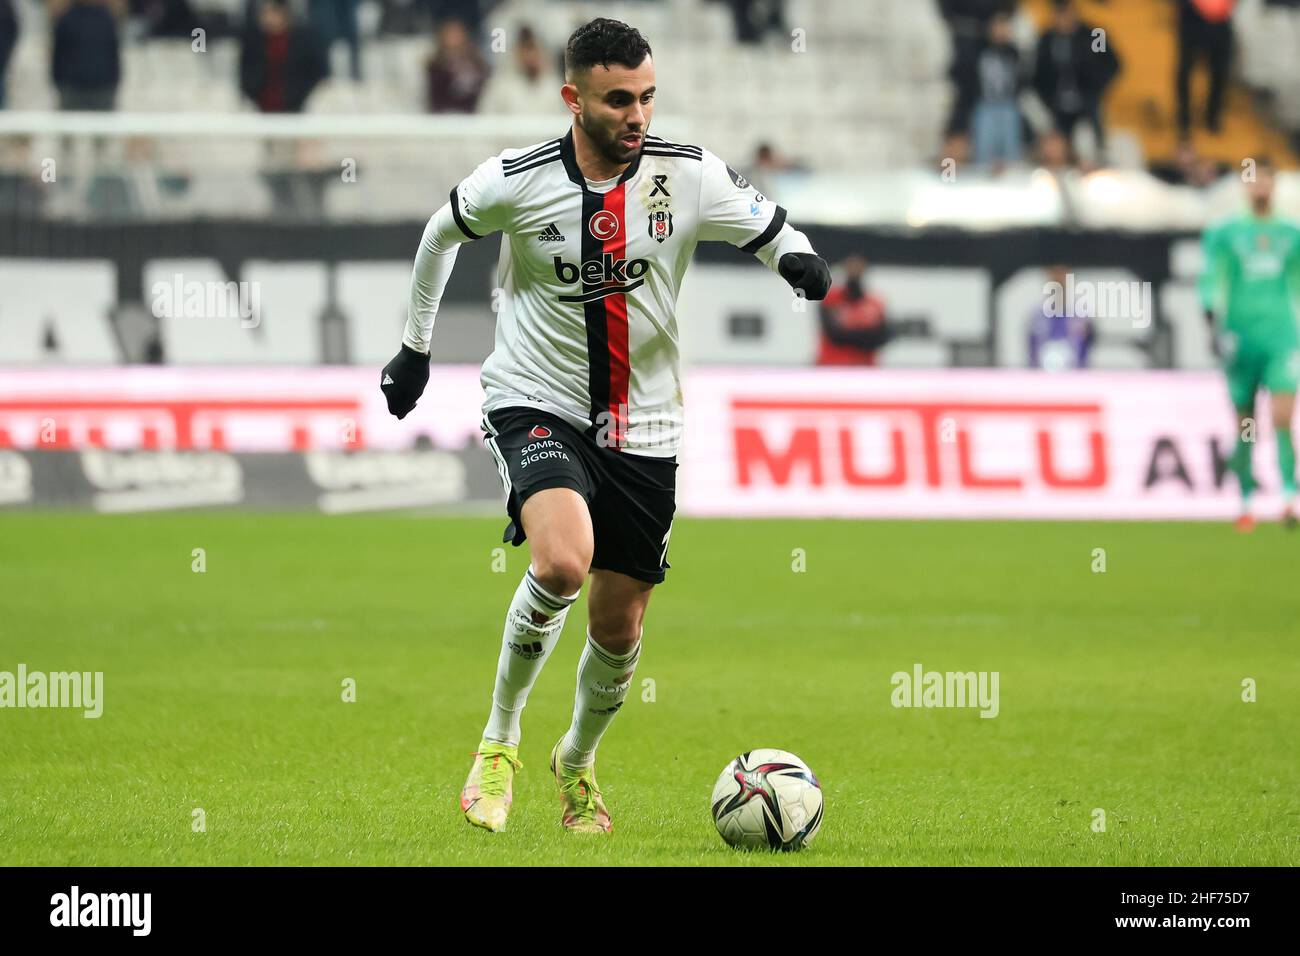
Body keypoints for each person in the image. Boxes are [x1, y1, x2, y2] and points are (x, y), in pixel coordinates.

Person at [379, 18, 831, 834]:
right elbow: (438, 233)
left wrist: (795, 258)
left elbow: (770, 223)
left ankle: (577, 760)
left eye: (647, 97)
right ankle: (499, 741)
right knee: (562, 561)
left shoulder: (685, 174)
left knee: (618, 623)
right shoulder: (514, 179)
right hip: (535, 399)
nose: (637, 115)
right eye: (618, 99)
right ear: (573, 98)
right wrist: (415, 349)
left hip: (646, 423)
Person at [1200, 157, 1300, 530]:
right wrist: (1211, 316)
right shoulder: (1226, 233)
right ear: (1245, 185)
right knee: (1245, 424)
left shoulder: (1291, 234)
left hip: (1281, 337)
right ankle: (1245, 501)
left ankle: (1289, 497)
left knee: (1283, 417)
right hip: (1241, 338)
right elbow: (1212, 277)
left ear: (1274, 185)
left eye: (1266, 180)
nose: (1260, 187)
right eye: (1254, 180)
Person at [1033, 0, 1119, 152]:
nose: (1062, 20)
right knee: (1057, 143)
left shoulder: (1094, 34)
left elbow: (1112, 64)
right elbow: (1039, 72)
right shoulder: (1047, 39)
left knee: (1090, 141)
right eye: (1058, 15)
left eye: (1066, 14)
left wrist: (1097, 87)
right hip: (1057, 103)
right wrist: (1046, 95)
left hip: (1086, 100)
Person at [238, 0, 327, 114]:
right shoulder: (254, 42)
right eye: (265, 13)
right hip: (261, 107)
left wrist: (299, 95)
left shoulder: (304, 40)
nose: (268, 18)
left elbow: (317, 72)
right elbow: (246, 72)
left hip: (295, 107)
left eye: (272, 13)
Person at [816, 255, 891, 366]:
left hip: (865, 369)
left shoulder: (875, 303)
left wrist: (849, 332)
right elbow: (834, 334)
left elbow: (882, 336)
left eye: (858, 267)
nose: (854, 270)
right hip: (832, 367)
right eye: (851, 266)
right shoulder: (830, 299)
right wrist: (866, 335)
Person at [969, 12, 1022, 169]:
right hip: (986, 104)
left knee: (1011, 147)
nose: (1000, 31)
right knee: (984, 147)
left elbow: (1020, 79)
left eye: (1004, 27)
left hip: (1008, 104)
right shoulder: (980, 50)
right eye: (997, 27)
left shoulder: (1013, 52)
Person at [1177, 0, 1234, 136]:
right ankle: (1184, 119)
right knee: (1186, 70)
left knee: (1220, 73)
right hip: (1192, 19)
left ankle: (1212, 117)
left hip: (1221, 19)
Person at [51, 0, 121, 112]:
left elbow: (57, 58)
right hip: (89, 88)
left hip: (84, 88)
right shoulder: (106, 19)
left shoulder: (66, 18)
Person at [477, 24, 560, 116]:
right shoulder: (499, 86)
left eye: (532, 49)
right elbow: (484, 119)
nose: (529, 56)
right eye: (524, 50)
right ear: (516, 52)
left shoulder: (553, 86)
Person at [1029, 264, 1095, 370]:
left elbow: (1084, 352)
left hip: (1073, 374)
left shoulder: (1079, 316)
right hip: (1043, 374)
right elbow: (1032, 353)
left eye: (1060, 287)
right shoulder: (1037, 317)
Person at [425, 16, 489, 113]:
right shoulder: (434, 67)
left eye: (457, 33)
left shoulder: (478, 65)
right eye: (450, 33)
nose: (454, 38)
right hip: (443, 117)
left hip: (473, 117)